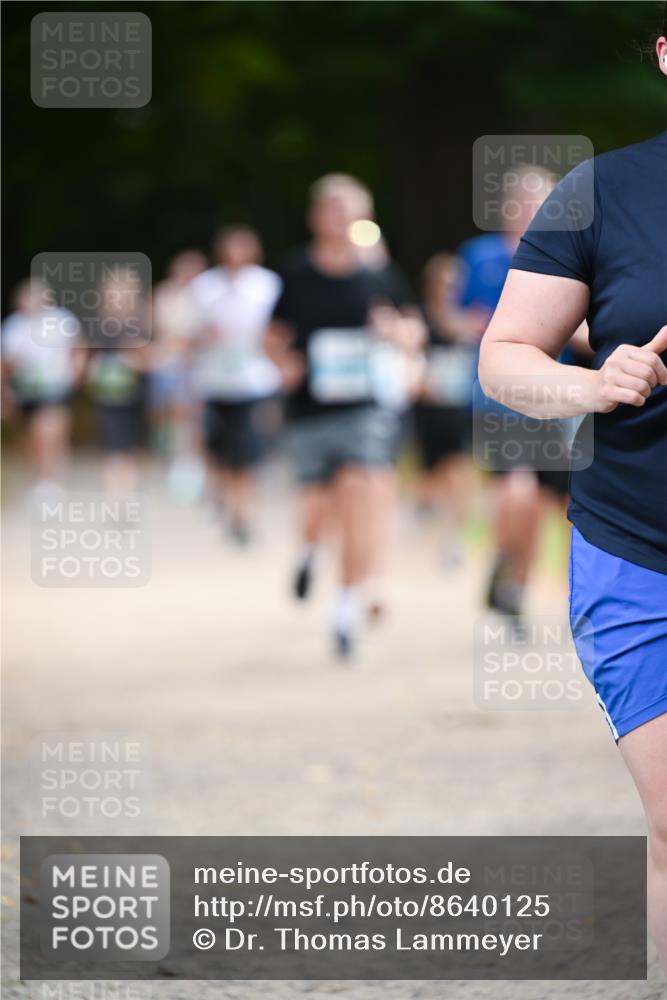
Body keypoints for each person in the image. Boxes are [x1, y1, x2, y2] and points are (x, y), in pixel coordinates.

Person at [478, 17, 667, 971]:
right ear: (666, 55)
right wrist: (596, 382)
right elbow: (504, 356)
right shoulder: (600, 191)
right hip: (638, 545)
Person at [264, 173, 419, 658]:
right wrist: (282, 364)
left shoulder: (377, 274)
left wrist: (394, 331)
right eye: (332, 208)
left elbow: (414, 330)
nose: (341, 217)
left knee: (357, 496)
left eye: (350, 209)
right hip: (309, 409)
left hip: (363, 410)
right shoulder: (294, 272)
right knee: (316, 508)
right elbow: (271, 336)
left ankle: (345, 609)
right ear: (315, 217)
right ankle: (309, 552)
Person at [458, 166, 571, 618]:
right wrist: (472, 326)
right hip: (498, 399)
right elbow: (452, 313)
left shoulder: (567, 256)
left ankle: (519, 584)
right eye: (525, 202)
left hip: (553, 400)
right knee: (517, 492)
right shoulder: (479, 256)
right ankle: (508, 571)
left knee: (554, 507)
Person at [189, 226, 282, 544]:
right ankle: (228, 501)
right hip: (214, 380)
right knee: (219, 450)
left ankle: (243, 511)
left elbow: (278, 330)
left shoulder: (267, 285)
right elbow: (191, 333)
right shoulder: (205, 287)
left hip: (253, 380)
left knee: (247, 450)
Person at [412, 254, 485, 565]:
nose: (449, 288)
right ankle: (423, 506)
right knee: (432, 474)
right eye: (444, 282)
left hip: (459, 407)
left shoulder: (469, 319)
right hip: (429, 408)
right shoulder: (420, 319)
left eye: (455, 283)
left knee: (459, 471)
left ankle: (452, 537)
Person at [1, 277, 84, 502]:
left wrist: (75, 375)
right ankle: (42, 479)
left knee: (48, 432)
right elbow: (6, 363)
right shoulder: (13, 326)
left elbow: (78, 348)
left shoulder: (61, 320)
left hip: (56, 387)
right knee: (32, 438)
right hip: (25, 391)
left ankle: (52, 484)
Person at [86, 266, 150, 494]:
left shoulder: (143, 323)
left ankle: (129, 491)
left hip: (136, 393)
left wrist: (134, 358)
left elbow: (149, 358)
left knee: (132, 447)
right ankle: (116, 496)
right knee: (113, 446)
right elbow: (88, 358)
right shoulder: (98, 325)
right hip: (108, 395)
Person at [150, 249, 207, 500]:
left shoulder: (207, 295)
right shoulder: (165, 295)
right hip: (169, 364)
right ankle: (177, 463)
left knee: (192, 416)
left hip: (198, 365)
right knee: (169, 417)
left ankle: (191, 466)